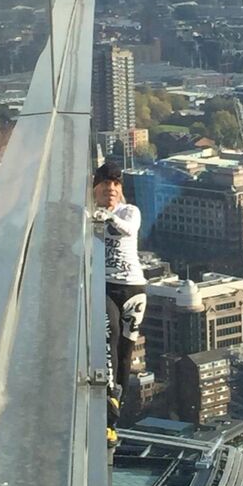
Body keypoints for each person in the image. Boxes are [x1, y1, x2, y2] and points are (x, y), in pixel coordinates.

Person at [93, 161, 146, 445]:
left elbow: (127, 229)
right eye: (104, 185)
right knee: (109, 333)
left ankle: (113, 421)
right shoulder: (88, 215)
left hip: (134, 287)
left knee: (126, 353)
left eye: (115, 185)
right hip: (105, 286)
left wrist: (106, 217)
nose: (110, 190)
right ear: (94, 189)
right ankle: (108, 398)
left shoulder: (129, 211)